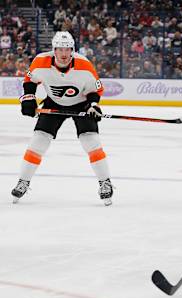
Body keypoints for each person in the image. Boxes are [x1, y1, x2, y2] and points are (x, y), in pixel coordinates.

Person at [11, 31, 114, 206]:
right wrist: (28, 98)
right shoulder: (40, 61)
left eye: (67, 49)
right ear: (54, 50)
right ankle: (23, 181)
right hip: (54, 102)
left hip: (81, 102)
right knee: (38, 141)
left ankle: (105, 183)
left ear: (72, 50)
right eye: (60, 49)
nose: (64, 54)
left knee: (91, 141)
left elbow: (94, 91)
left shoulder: (84, 66)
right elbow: (30, 80)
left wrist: (93, 106)